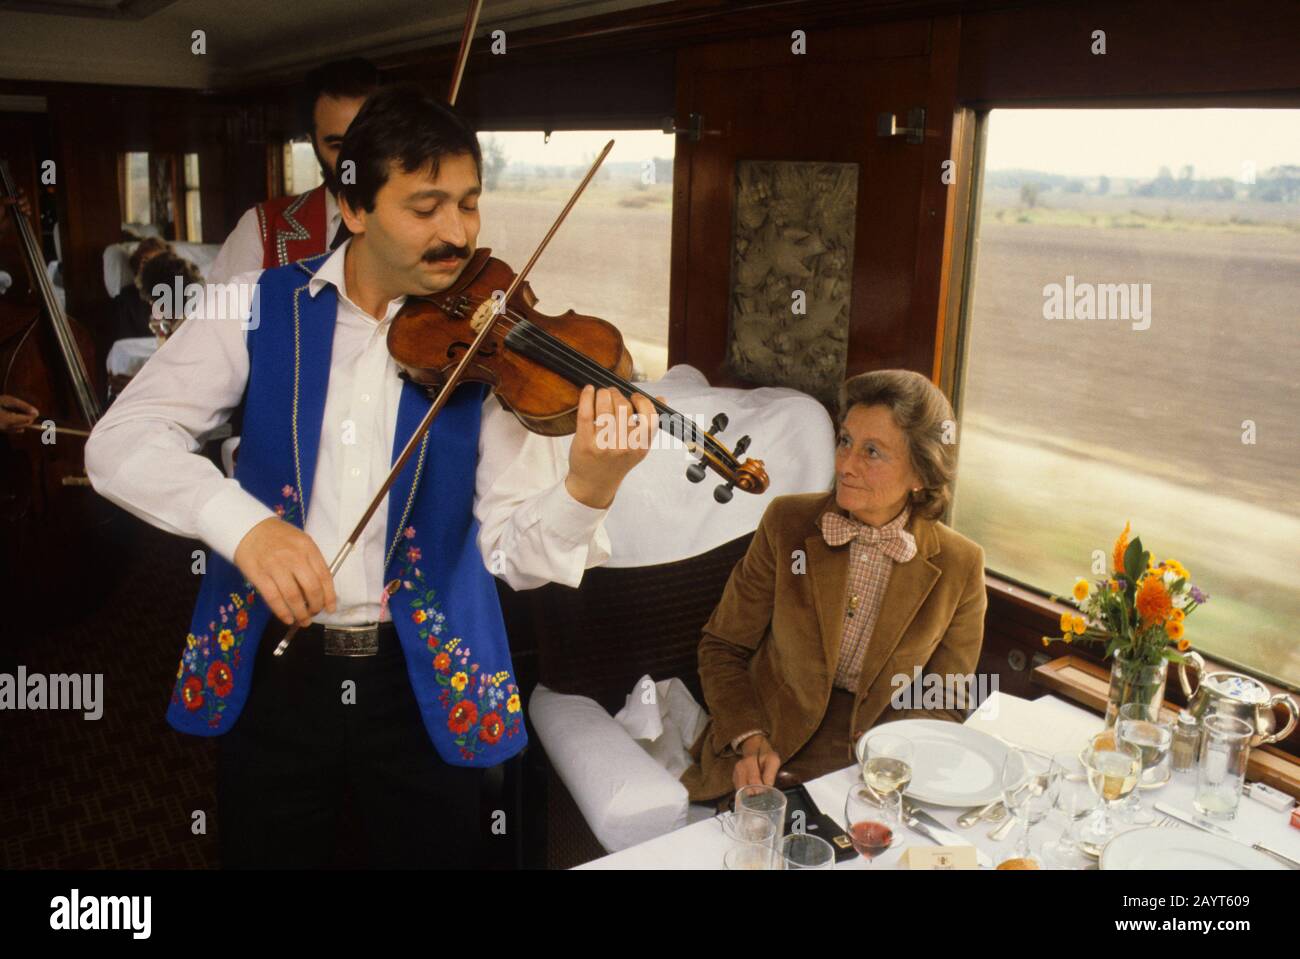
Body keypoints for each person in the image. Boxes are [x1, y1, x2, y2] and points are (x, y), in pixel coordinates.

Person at [85, 83, 661, 868]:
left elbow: (515, 556)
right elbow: (119, 442)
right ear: (354, 207)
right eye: (426, 207)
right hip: (278, 662)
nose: (458, 233)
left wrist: (588, 486)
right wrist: (243, 526)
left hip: (423, 676)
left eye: (469, 204)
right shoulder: (251, 305)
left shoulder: (489, 344)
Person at [679, 369, 987, 803]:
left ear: (920, 473)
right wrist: (749, 738)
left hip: (875, 768)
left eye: (872, 452)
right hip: (768, 742)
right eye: (845, 441)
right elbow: (722, 647)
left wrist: (886, 766)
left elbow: (944, 698)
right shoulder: (786, 522)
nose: (845, 464)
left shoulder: (961, 565)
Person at [207, 58, 380, 283]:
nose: (352, 161)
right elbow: (222, 306)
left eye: (367, 143)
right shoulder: (261, 228)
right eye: (337, 146)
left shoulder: (418, 226)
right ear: (312, 142)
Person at [109, 236, 171, 341]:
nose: (151, 268)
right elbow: (126, 344)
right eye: (145, 262)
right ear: (137, 265)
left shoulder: (179, 295)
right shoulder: (126, 299)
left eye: (157, 262)